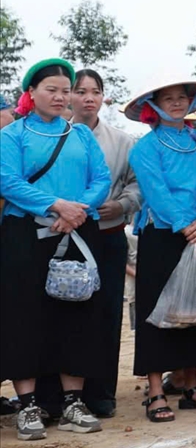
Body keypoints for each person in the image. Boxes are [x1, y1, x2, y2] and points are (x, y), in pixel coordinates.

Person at [0, 59, 111, 439]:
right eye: (52, 88)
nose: (60, 96)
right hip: (25, 235)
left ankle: (72, 403)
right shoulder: (12, 135)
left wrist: (76, 210)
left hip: (77, 233)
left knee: (77, 315)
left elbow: (102, 179)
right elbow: (7, 181)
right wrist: (54, 206)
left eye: (66, 89)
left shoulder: (80, 136)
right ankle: (29, 406)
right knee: (24, 317)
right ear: (31, 92)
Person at [125, 76, 196, 421]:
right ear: (153, 105)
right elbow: (157, 193)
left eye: (182, 97)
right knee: (156, 313)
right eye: (168, 99)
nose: (177, 103)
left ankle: (192, 384)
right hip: (164, 235)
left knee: (195, 308)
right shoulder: (146, 148)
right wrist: (190, 229)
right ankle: (154, 391)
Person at [48, 69, 140, 420]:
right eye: (81, 91)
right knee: (61, 315)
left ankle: (101, 393)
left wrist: (121, 205)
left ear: (104, 97)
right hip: (61, 236)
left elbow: (135, 186)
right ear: (70, 97)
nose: (88, 98)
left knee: (105, 315)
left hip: (107, 235)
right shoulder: (54, 133)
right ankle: (58, 395)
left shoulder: (122, 141)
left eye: (95, 92)